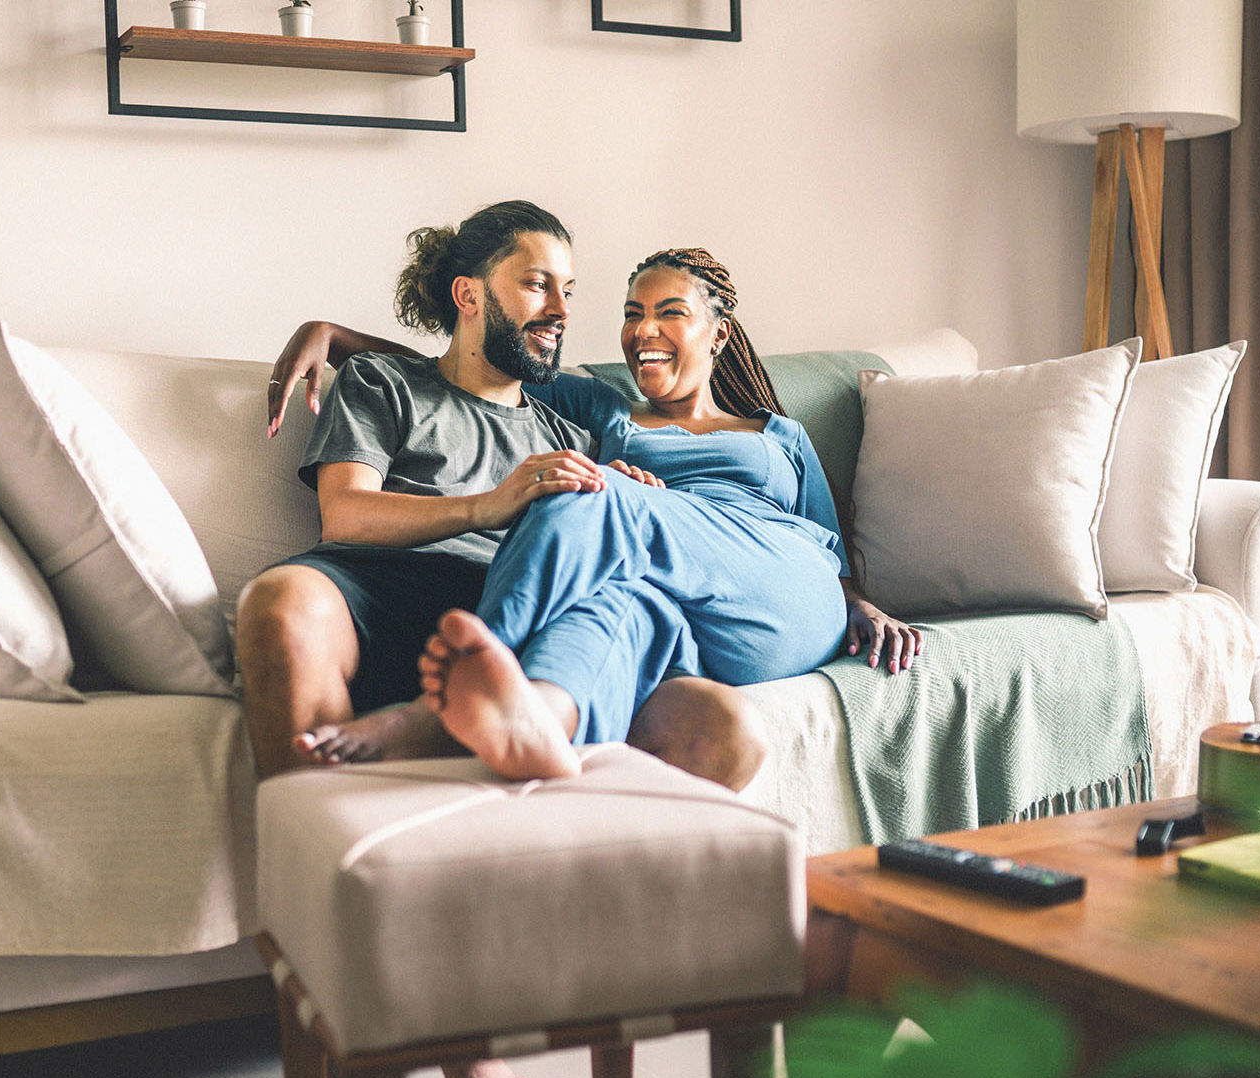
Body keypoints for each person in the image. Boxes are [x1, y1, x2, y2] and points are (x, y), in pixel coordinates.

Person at [272, 248, 924, 784]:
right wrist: (333, 337)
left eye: (669, 313)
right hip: (671, 599)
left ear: (719, 333)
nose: (643, 331)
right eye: (632, 314)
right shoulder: (603, 408)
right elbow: (465, 368)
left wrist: (859, 603)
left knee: (590, 487)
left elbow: (827, 551)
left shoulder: (778, 436)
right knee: (598, 560)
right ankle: (536, 721)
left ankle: (433, 714)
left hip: (777, 590)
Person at [238, 201, 766, 798]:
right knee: (280, 602)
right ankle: (323, 854)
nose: (561, 311)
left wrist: (622, 491)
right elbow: (346, 513)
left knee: (725, 729)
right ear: (469, 295)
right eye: (538, 286)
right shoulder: (382, 382)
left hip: (516, 619)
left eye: (567, 291)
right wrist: (488, 505)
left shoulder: (570, 437)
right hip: (375, 590)